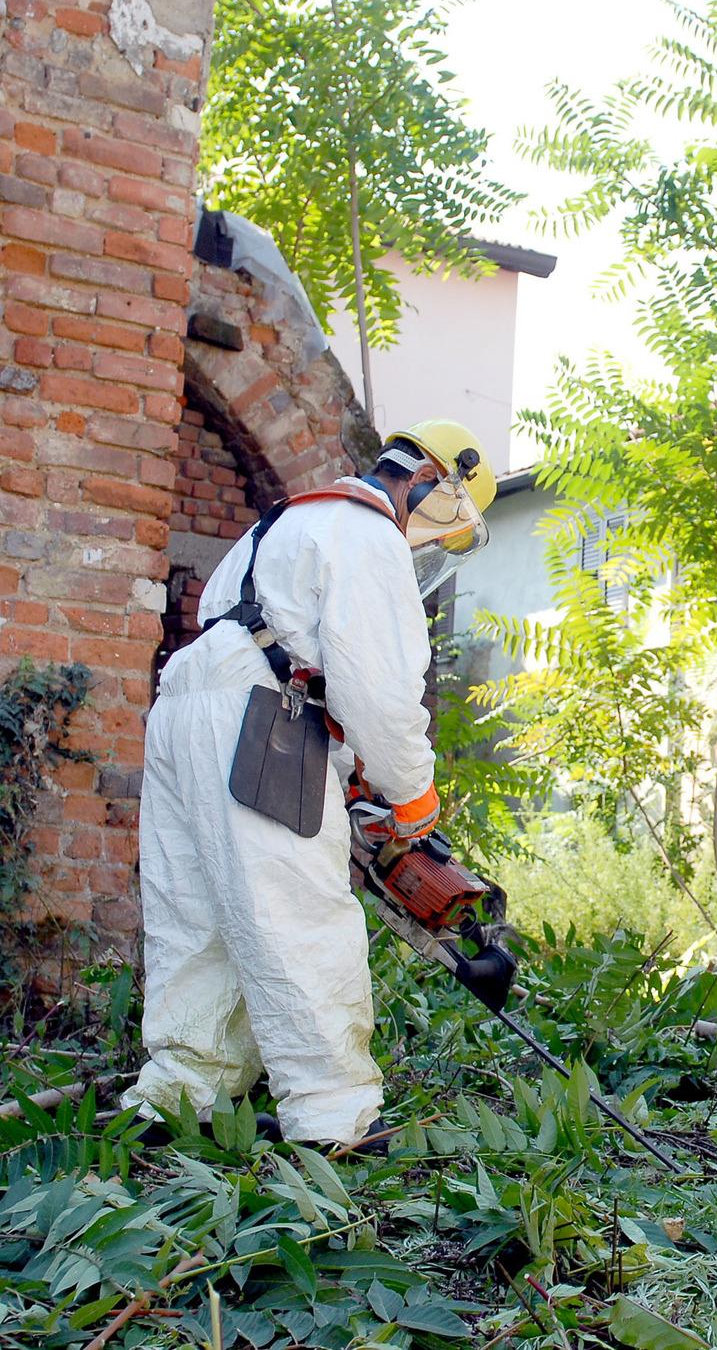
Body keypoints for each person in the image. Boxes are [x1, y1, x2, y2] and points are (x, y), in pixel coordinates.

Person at [121, 420, 497, 1151]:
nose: (426, 542)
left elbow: (281, 648)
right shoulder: (369, 535)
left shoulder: (282, 522)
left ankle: (182, 1093)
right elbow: (382, 695)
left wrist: (347, 771)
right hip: (259, 720)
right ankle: (335, 1119)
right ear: (439, 484)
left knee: (195, 916)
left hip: (183, 709)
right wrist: (412, 801)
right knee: (298, 915)